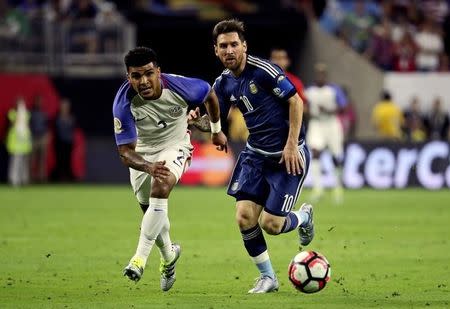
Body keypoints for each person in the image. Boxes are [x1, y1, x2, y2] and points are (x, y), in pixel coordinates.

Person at [211, 19, 314, 294]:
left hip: (287, 157)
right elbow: (215, 117)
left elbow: (296, 101)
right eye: (224, 46)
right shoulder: (222, 83)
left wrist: (292, 145)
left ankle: (303, 218)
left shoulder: (264, 71)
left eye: (234, 44)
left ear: (244, 46)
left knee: (272, 225)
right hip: (255, 155)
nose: (229, 50)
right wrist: (198, 120)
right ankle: (268, 278)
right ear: (216, 51)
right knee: (244, 217)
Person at [112, 47, 227, 292]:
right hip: (142, 154)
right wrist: (147, 165)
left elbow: (210, 94)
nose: (143, 81)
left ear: (158, 72)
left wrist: (216, 130)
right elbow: (125, 152)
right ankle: (168, 255)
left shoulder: (180, 87)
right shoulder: (123, 103)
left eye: (148, 73)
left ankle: (139, 259)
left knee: (161, 186)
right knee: (150, 211)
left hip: (176, 145)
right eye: (136, 76)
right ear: (128, 77)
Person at [304, 63, 347, 204]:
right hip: (317, 123)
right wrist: (309, 111)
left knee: (336, 156)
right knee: (315, 152)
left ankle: (338, 187)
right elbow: (303, 106)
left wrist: (329, 110)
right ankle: (318, 189)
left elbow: (343, 106)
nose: (320, 76)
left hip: (331, 123)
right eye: (318, 73)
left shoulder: (333, 89)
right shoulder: (309, 90)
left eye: (323, 73)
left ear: (326, 75)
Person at [6, 97, 32, 187]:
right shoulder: (12, 113)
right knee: (15, 162)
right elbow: (11, 124)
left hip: (24, 143)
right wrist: (19, 116)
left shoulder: (27, 114)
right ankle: (14, 180)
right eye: (19, 103)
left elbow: (27, 126)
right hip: (15, 143)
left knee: (24, 163)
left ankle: (24, 180)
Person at [52, 98, 76, 182]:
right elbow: (57, 129)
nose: (65, 108)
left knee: (67, 160)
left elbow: (72, 129)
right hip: (60, 142)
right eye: (63, 106)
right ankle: (59, 178)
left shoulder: (71, 117)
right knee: (60, 160)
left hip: (68, 142)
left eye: (66, 106)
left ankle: (67, 178)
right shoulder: (57, 117)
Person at [29, 94, 50, 183]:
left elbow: (47, 126)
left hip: (42, 138)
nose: (39, 103)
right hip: (33, 137)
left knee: (42, 160)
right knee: (31, 159)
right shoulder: (31, 113)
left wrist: (47, 136)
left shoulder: (44, 113)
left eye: (40, 101)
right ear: (35, 102)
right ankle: (30, 178)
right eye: (37, 101)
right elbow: (28, 125)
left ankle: (41, 178)